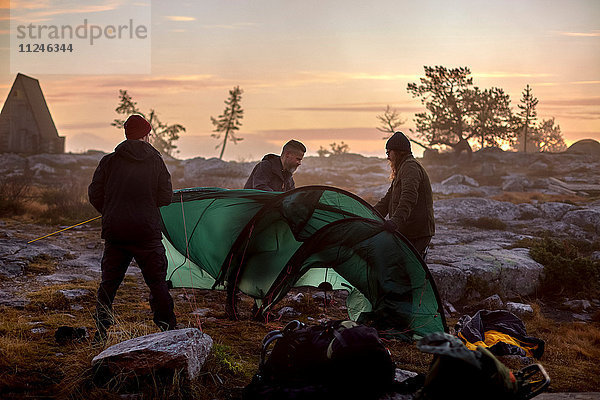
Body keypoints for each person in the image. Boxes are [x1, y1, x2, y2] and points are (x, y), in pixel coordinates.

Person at [88, 114, 176, 341]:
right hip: (147, 233)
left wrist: (111, 213)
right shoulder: (156, 161)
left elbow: (95, 194)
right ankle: (169, 332)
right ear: (146, 135)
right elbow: (166, 196)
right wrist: (147, 207)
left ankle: (100, 332)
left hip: (116, 233)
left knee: (109, 283)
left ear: (126, 135)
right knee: (157, 283)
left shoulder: (109, 161)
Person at [374, 131, 435, 258]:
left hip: (416, 233)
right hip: (407, 231)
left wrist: (395, 221)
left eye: (388, 152)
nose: (387, 157)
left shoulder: (410, 167)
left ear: (397, 152)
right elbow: (387, 200)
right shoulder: (402, 168)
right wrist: (369, 215)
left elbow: (409, 197)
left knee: (406, 270)